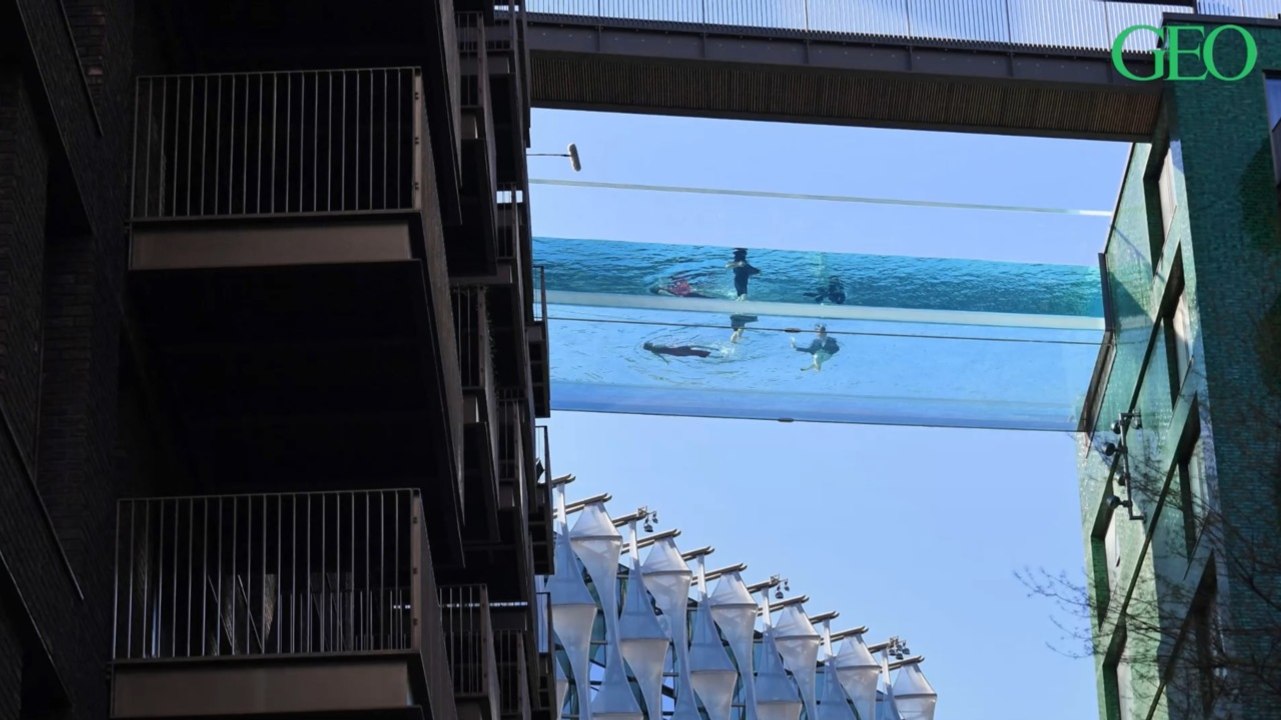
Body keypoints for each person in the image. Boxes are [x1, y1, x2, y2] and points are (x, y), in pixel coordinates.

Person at [643, 341, 717, 360]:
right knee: (695, 346)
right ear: (650, 345)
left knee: (695, 353)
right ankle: (714, 349)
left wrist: (666, 361)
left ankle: (716, 357)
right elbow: (668, 346)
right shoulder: (657, 346)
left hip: (677, 354)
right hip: (678, 348)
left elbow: (661, 357)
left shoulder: (654, 351)